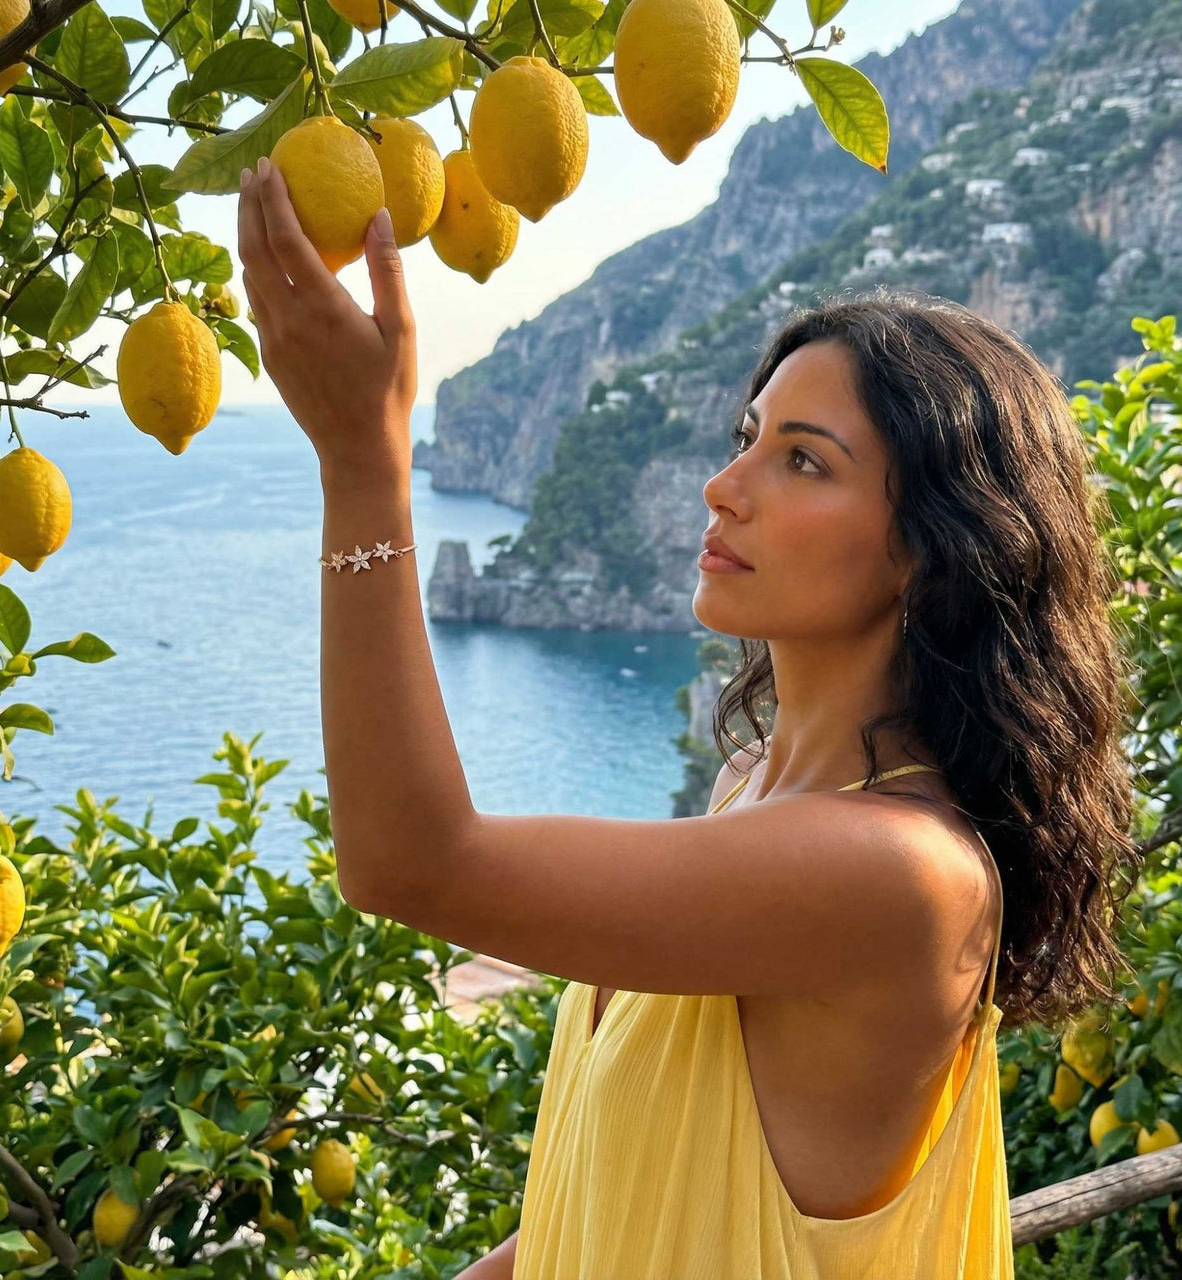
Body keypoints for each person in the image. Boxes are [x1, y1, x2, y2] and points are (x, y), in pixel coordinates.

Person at [457, 290, 1141, 1279]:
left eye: (803, 459)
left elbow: (414, 859)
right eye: (747, 437)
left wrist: (360, 461)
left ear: (930, 545)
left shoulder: (894, 869)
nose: (721, 487)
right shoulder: (746, 785)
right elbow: (621, 1186)